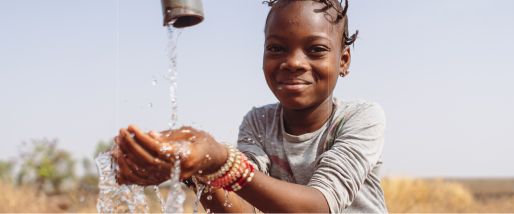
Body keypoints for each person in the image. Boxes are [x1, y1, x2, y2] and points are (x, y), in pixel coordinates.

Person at [113, 0, 387, 212]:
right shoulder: (258, 122)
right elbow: (243, 208)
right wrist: (198, 168)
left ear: (344, 60)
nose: (293, 62)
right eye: (277, 48)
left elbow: (317, 207)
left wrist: (221, 159)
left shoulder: (361, 118)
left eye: (315, 49)